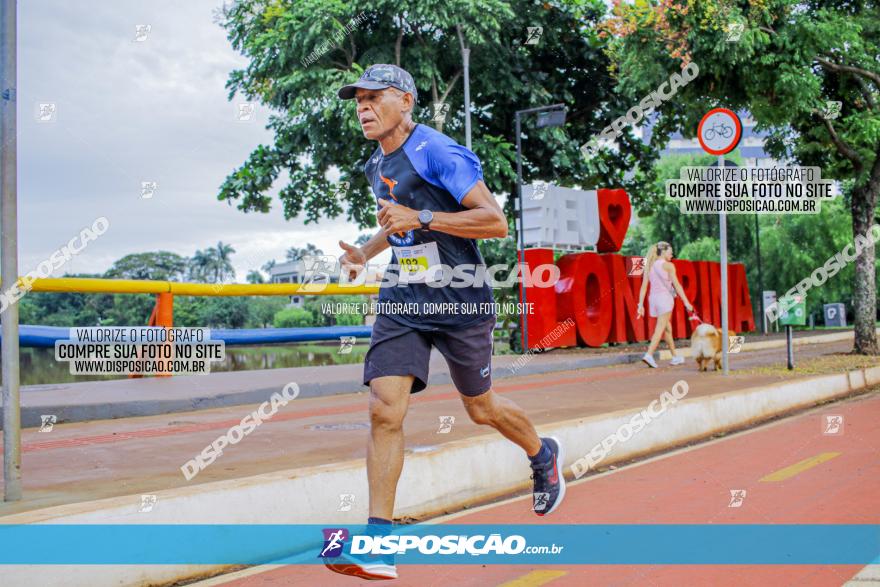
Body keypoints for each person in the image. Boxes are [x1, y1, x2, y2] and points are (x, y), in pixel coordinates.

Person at [324, 64, 565, 581]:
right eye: (358, 100)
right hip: (404, 297)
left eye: (374, 97)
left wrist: (426, 219)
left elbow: (495, 222)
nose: (363, 107)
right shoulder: (375, 165)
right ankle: (378, 542)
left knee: (480, 408)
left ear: (406, 101)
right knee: (384, 410)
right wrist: (364, 252)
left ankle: (542, 453)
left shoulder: (438, 151)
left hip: (459, 298)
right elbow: (396, 223)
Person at [636, 241, 694, 368]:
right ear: (663, 252)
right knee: (660, 327)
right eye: (670, 251)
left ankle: (675, 357)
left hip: (653, 300)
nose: (672, 254)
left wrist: (640, 304)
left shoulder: (649, 266)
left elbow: (644, 286)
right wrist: (686, 302)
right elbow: (677, 285)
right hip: (665, 299)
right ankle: (649, 355)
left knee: (667, 328)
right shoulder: (669, 266)